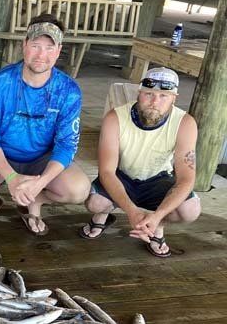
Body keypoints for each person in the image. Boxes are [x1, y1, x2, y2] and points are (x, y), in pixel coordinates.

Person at [0, 14, 90, 234]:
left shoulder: (69, 90)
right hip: (0, 154)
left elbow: (66, 145)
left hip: (42, 158)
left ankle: (35, 200)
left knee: (78, 190)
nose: (41, 55)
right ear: (24, 45)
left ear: (58, 51)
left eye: (49, 48)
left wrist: (40, 183)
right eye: (36, 45)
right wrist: (11, 178)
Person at [80, 66, 201, 257]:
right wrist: (132, 212)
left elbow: (186, 178)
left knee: (190, 210)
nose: (154, 102)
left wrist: (158, 216)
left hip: (159, 178)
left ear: (174, 98)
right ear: (139, 93)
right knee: (94, 203)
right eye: (149, 94)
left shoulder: (185, 123)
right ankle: (102, 215)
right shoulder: (115, 117)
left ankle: (156, 226)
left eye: (163, 96)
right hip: (122, 175)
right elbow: (106, 171)